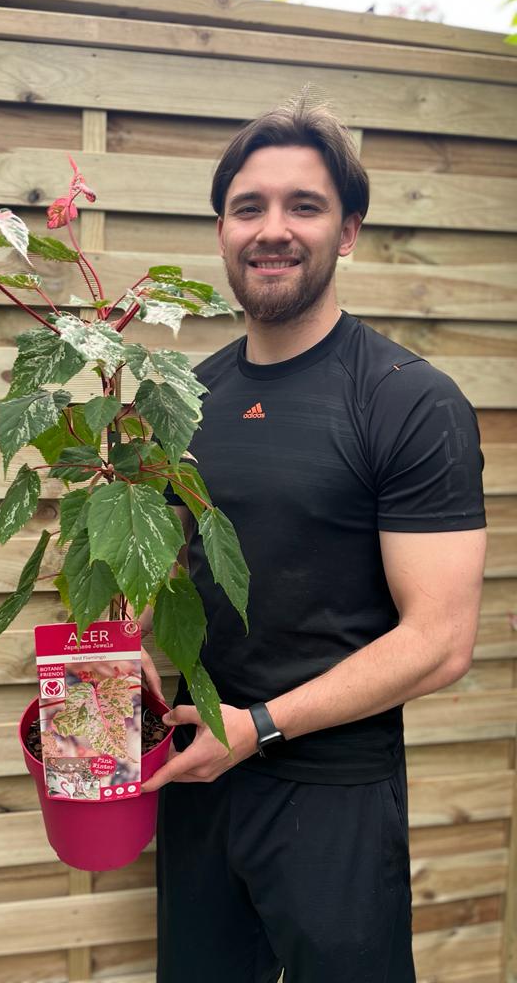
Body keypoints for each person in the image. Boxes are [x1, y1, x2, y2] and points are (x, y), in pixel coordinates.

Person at [138, 98, 487, 983]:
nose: (273, 230)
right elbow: (166, 560)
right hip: (201, 770)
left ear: (349, 231)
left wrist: (260, 727)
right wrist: (120, 640)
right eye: (248, 207)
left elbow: (441, 641)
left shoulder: (408, 400)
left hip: (336, 794)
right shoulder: (185, 400)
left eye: (304, 206)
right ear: (222, 231)